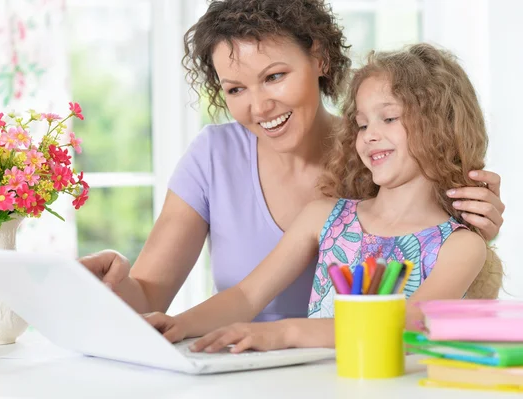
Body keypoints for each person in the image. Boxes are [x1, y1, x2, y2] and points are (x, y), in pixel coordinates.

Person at [80, 0, 505, 322]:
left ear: (318, 58)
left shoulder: (385, 158)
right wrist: (115, 285)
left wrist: (474, 226)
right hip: (242, 370)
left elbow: (436, 303)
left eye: (274, 76)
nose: (259, 106)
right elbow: (151, 302)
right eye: (235, 90)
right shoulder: (214, 156)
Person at [143, 43, 504, 353]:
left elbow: (409, 322)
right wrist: (178, 325)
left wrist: (287, 331)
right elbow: (246, 297)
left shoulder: (459, 246)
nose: (370, 136)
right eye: (362, 124)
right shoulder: (324, 217)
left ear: (442, 127)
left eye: (389, 118)